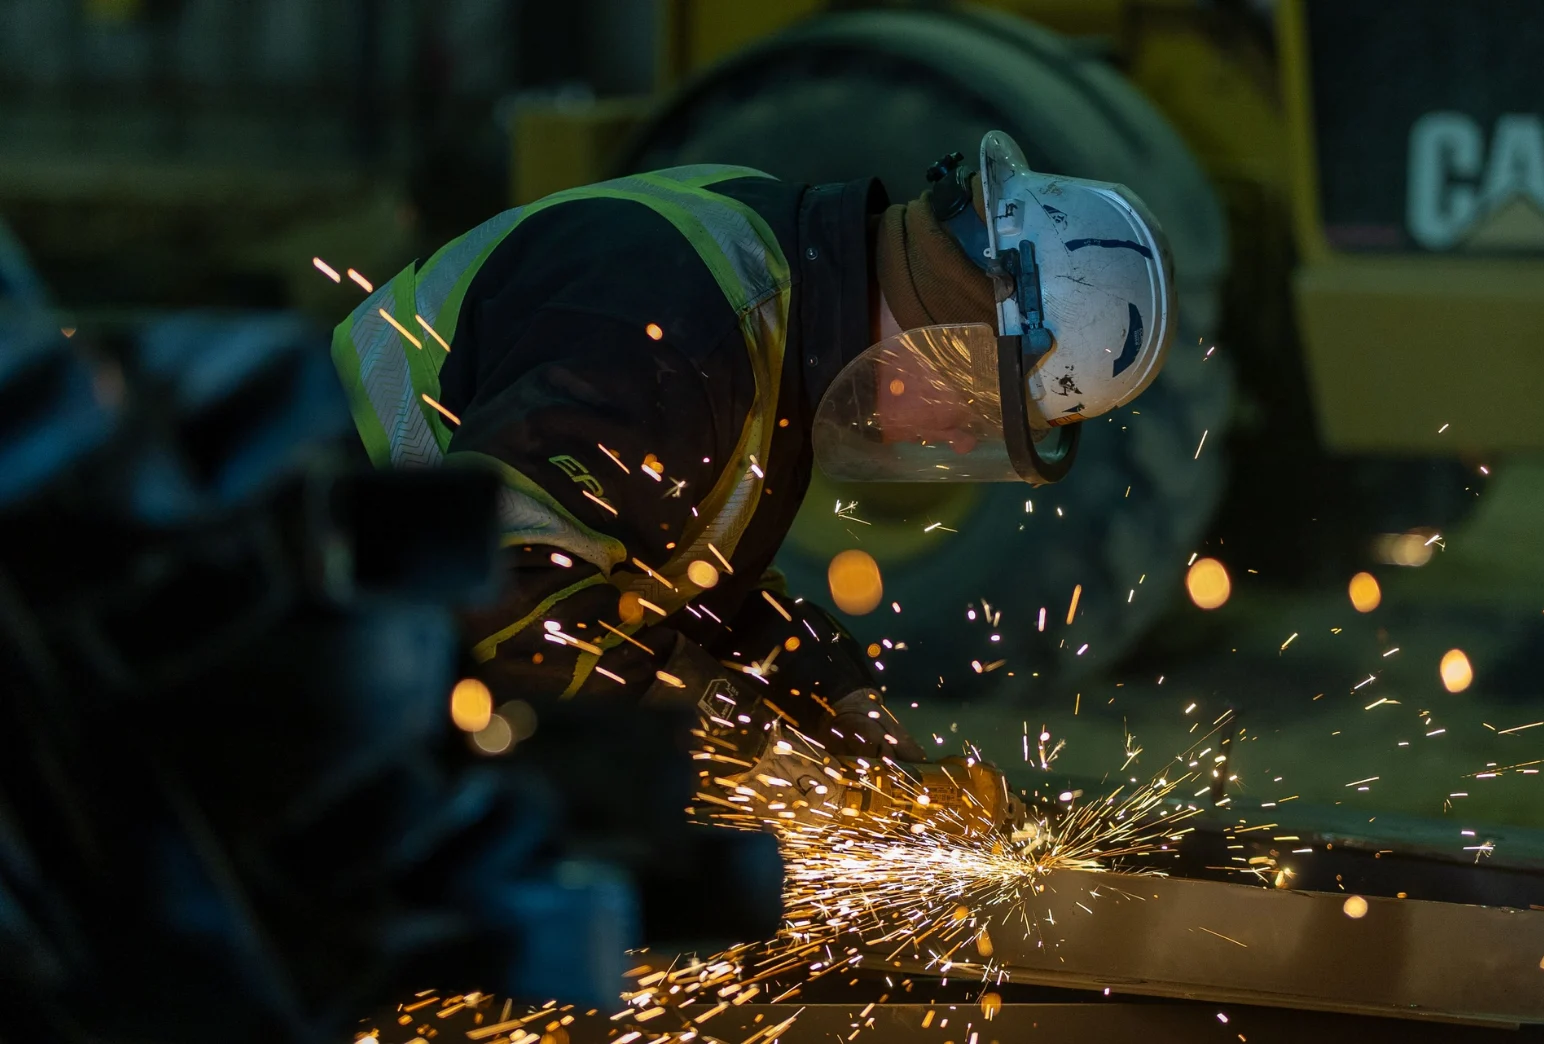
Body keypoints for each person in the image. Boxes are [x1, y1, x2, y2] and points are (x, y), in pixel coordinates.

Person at [331, 131, 1174, 769]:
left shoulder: (780, 293)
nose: (959, 438)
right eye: (984, 411)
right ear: (955, 332)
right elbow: (512, 596)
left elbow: (672, 579)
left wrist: (829, 697)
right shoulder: (680, 331)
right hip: (320, 576)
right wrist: (734, 739)